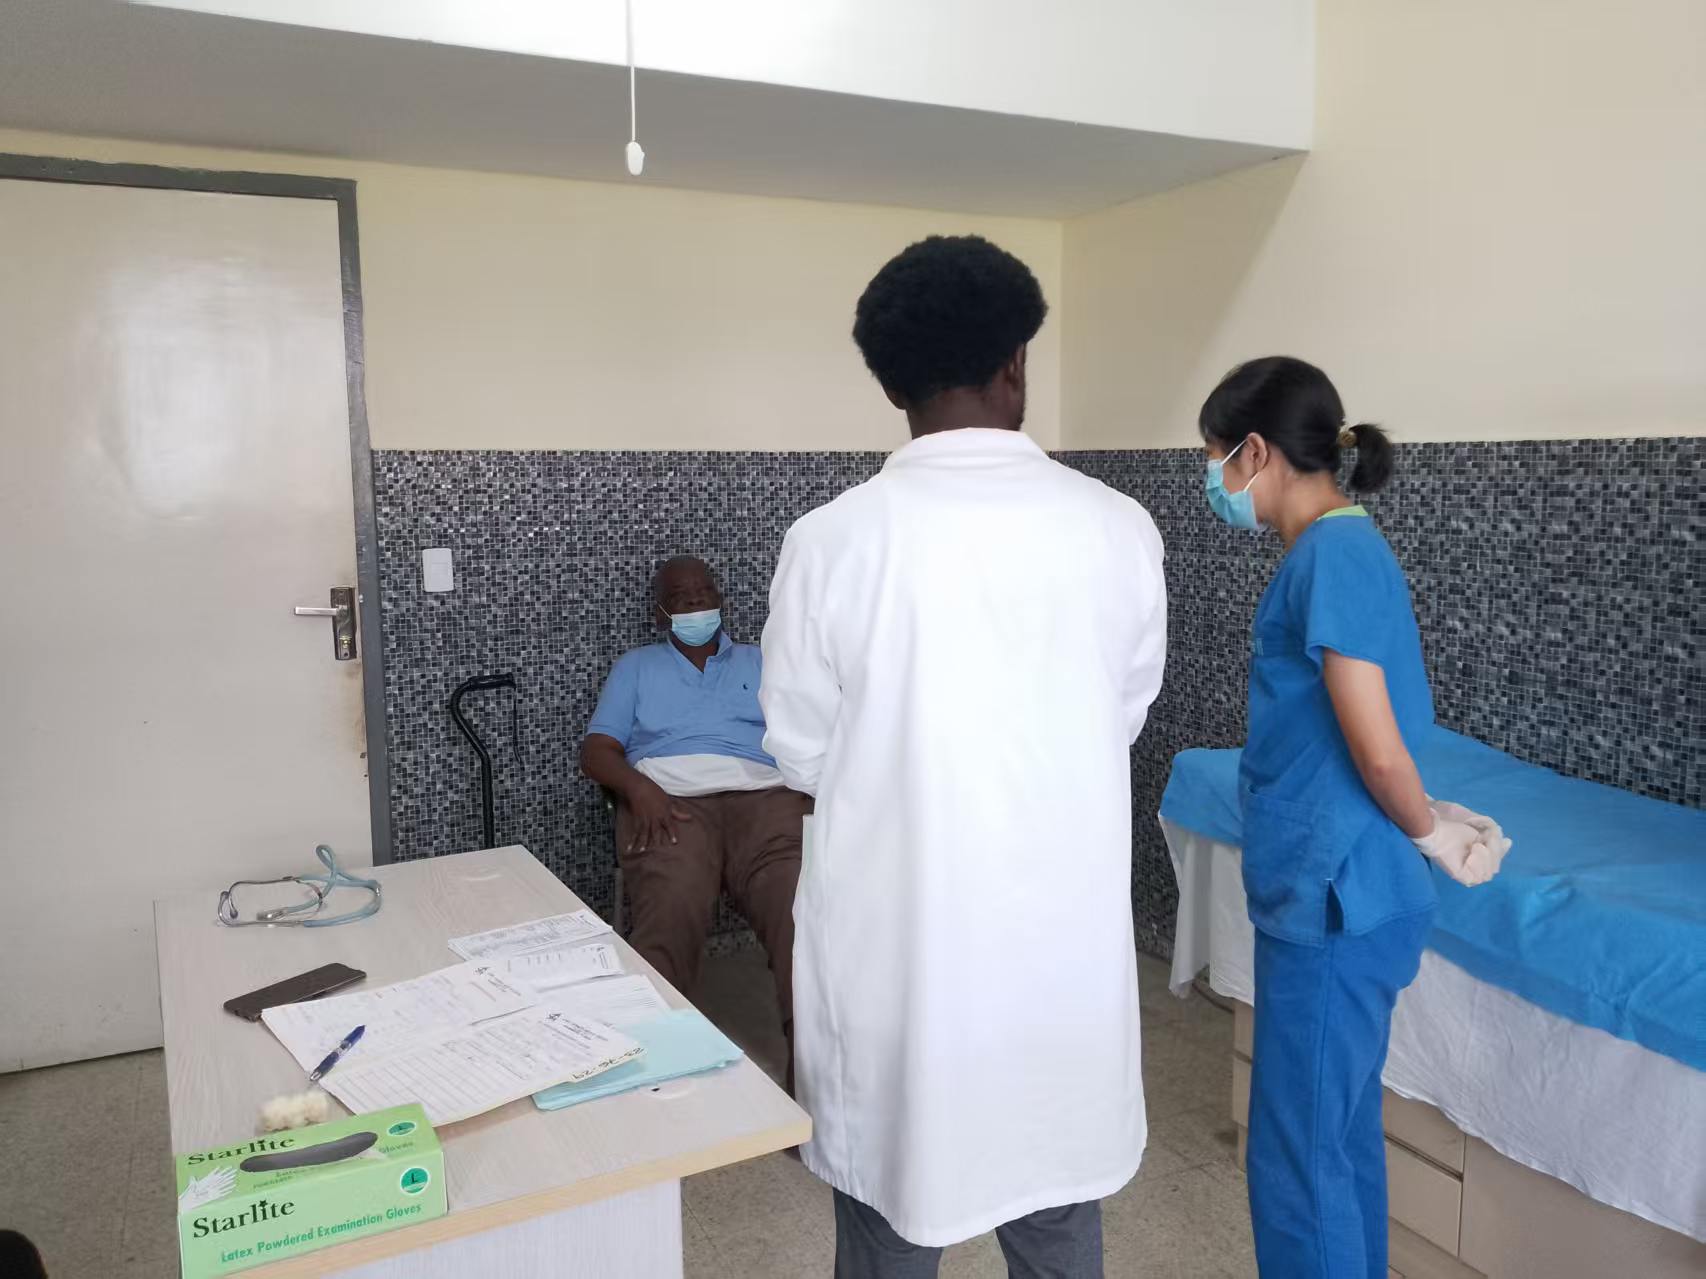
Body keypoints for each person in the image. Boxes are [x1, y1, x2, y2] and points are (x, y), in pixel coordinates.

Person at [760, 235, 1167, 1277]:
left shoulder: (831, 541)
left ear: (890, 384)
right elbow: (1118, 713)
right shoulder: (1117, 529)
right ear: (1014, 365)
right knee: (1058, 1225)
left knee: (894, 1219)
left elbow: (801, 752)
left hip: (901, 971)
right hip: (1056, 973)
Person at [1198, 356, 1509, 1277]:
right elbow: (1361, 735)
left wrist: (1426, 829)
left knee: (1300, 1156)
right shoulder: (1342, 547)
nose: (1214, 481)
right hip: (1343, 878)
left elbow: (1375, 743)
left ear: (1256, 450)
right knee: (1330, 1140)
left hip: (1338, 894)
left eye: (1216, 458)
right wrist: (1421, 812)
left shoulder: (1332, 552)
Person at [581, 556, 812, 1062]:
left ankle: (815, 1085)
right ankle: (655, 1069)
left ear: (721, 601)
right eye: (682, 598)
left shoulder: (762, 660)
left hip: (766, 801)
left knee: (801, 917)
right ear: (661, 613)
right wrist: (639, 792)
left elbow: (809, 732)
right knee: (669, 911)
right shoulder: (637, 667)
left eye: (704, 594)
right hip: (669, 805)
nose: (696, 604)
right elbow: (597, 751)